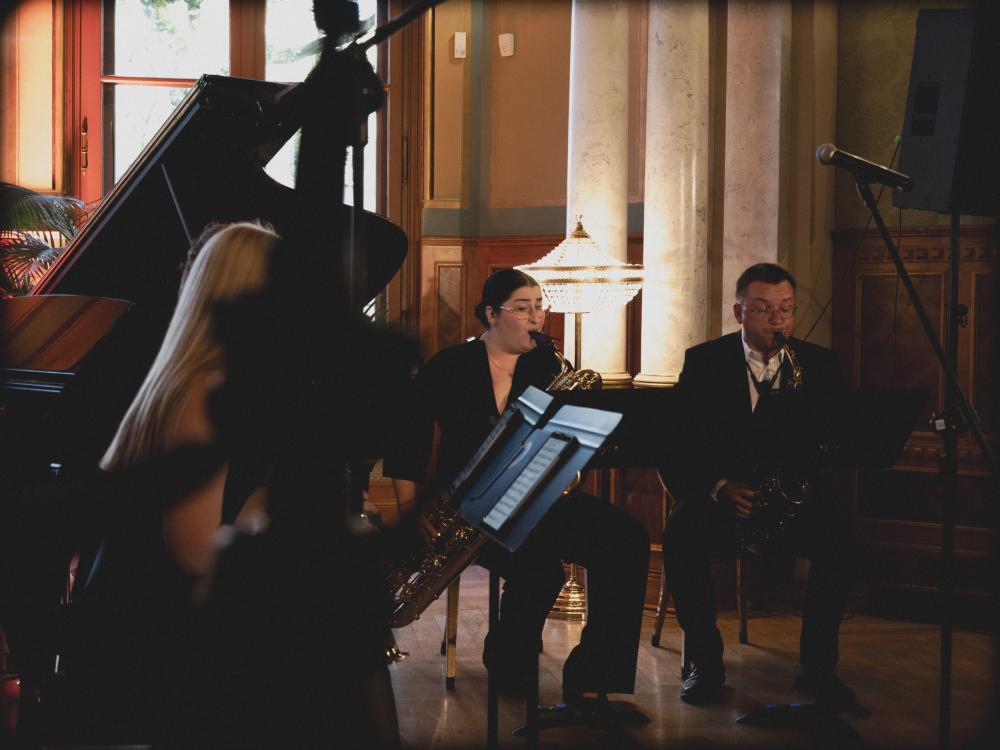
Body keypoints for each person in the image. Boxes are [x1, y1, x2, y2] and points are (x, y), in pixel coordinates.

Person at [384, 268, 650, 707]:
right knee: (540, 569)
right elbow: (406, 437)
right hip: (470, 510)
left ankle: (594, 674)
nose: (536, 318)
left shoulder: (548, 366)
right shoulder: (452, 365)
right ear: (492, 314)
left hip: (537, 500)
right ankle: (509, 658)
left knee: (626, 538)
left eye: (539, 307)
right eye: (522, 308)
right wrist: (412, 509)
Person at [659, 262, 858, 711]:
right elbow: (676, 444)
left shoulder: (819, 365)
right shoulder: (704, 361)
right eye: (764, 309)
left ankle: (818, 669)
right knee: (681, 532)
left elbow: (836, 441)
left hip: (790, 500)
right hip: (725, 502)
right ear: (739, 312)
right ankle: (705, 663)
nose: (777, 320)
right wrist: (718, 486)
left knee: (841, 539)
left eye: (786, 309)